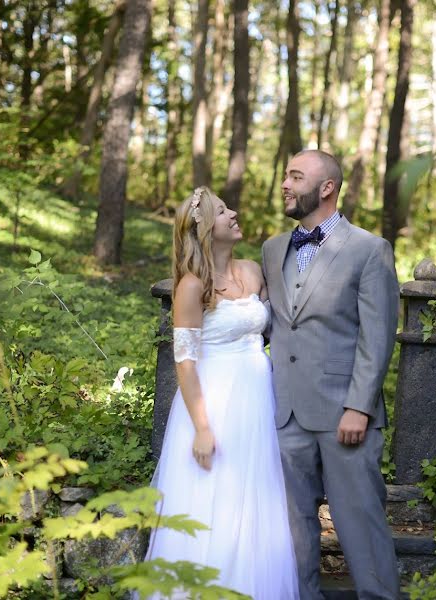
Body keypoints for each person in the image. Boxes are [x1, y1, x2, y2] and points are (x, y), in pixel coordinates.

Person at [144, 187, 299, 599]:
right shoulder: (192, 287)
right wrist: (202, 427)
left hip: (257, 397)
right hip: (214, 400)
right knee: (212, 504)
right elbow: (185, 361)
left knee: (256, 502)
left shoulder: (252, 270)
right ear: (204, 229)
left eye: (230, 207)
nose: (233, 214)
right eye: (223, 211)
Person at [261, 149, 401, 599]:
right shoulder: (271, 249)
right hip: (285, 414)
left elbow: (376, 336)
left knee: (360, 521)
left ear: (326, 188)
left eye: (295, 176)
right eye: (285, 174)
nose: (284, 183)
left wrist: (359, 406)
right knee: (293, 531)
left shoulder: (369, 249)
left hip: (345, 413)